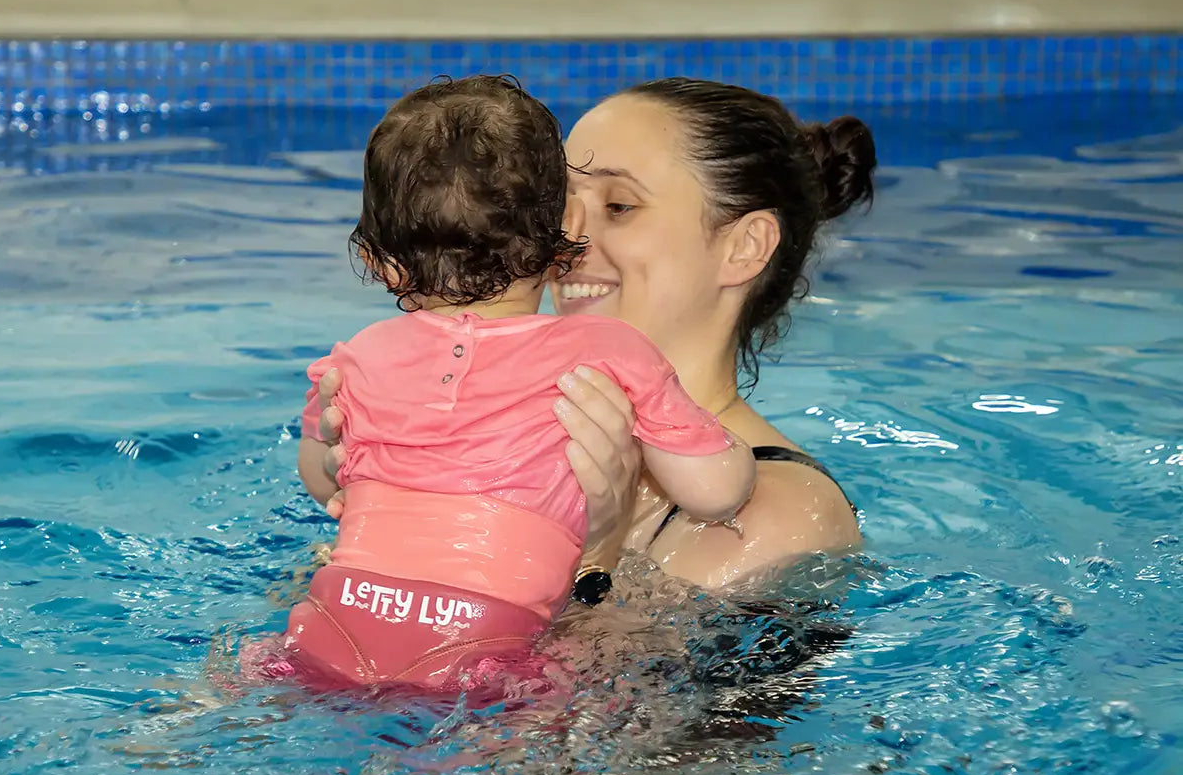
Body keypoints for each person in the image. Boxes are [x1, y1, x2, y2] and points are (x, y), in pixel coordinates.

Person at [278, 75, 757, 692]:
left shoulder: (358, 355)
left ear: (381, 263)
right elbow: (716, 493)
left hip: (338, 614)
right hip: (485, 641)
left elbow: (324, 478)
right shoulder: (605, 352)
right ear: (564, 238)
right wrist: (740, 461)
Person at [311, 77, 876, 594]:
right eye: (556, 202)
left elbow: (647, 702)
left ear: (744, 246)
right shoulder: (476, 424)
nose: (566, 232)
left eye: (618, 206)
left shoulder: (779, 514)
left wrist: (596, 557)